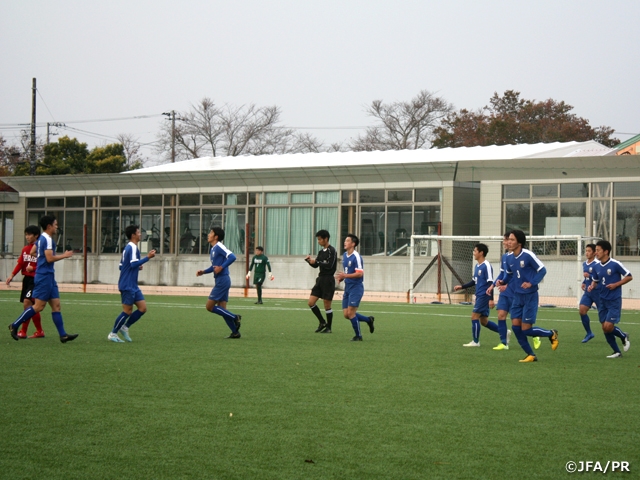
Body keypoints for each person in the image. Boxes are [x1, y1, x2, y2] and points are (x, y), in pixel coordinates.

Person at [8, 215, 78, 343]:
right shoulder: (48, 239)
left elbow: (33, 252)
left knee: (56, 305)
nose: (57, 226)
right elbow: (50, 258)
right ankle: (14, 325)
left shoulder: (41, 239)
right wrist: (65, 255)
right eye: (55, 224)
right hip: (44, 276)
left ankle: (63, 335)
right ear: (49, 226)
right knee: (38, 306)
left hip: (49, 276)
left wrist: (41, 256)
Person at [498, 229, 557, 362]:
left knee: (526, 329)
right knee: (515, 326)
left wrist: (531, 283)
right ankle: (531, 354)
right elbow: (509, 274)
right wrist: (503, 281)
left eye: (512, 240)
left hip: (530, 296)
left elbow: (542, 270)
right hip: (517, 296)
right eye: (509, 240)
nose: (509, 242)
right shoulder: (509, 257)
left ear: (519, 242)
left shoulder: (528, 255)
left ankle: (551, 334)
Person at [108, 225, 156, 343]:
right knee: (127, 311)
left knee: (142, 308)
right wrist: (148, 257)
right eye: (138, 232)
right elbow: (133, 264)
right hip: (127, 284)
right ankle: (113, 333)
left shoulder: (128, 248)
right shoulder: (133, 248)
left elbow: (122, 266)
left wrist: (137, 267)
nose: (140, 234)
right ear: (133, 235)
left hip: (132, 285)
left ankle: (125, 327)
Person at [588, 240, 632, 358]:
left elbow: (629, 276)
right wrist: (592, 286)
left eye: (598, 250)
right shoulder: (596, 266)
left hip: (614, 299)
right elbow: (596, 280)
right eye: (595, 250)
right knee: (604, 327)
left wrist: (616, 284)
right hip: (602, 299)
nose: (595, 253)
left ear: (606, 251)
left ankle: (623, 336)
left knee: (608, 326)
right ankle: (616, 352)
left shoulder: (615, 264)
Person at [197, 226, 242, 339]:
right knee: (222, 308)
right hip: (221, 279)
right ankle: (235, 332)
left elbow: (232, 257)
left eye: (211, 232)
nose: (208, 234)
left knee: (209, 307)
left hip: (223, 280)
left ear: (216, 236)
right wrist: (204, 272)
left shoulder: (219, 246)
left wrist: (222, 267)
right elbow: (215, 267)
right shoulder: (213, 249)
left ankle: (235, 317)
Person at [454, 243, 500, 347]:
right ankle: (504, 332)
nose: (473, 253)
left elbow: (490, 283)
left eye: (475, 251)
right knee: (483, 321)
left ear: (481, 253)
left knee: (474, 316)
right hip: (479, 295)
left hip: (484, 296)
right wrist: (461, 287)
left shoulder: (487, 266)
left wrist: (491, 299)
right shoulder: (477, 266)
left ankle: (475, 342)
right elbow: (474, 281)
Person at [6, 225, 45, 338]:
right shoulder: (25, 249)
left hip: (36, 280)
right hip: (27, 280)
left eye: (29, 234)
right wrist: (12, 275)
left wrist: (33, 268)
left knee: (27, 303)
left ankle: (23, 331)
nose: (27, 237)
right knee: (32, 306)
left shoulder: (40, 249)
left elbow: (45, 265)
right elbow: (20, 264)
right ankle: (39, 331)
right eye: (26, 234)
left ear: (36, 235)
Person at [336, 234, 374, 341]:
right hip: (348, 287)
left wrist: (345, 275)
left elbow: (359, 274)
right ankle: (368, 320)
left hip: (356, 288)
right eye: (345, 240)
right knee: (346, 314)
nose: (345, 242)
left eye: (347, 240)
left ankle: (358, 336)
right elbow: (348, 271)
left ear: (353, 244)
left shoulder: (356, 257)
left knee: (351, 313)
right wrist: (342, 278)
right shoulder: (344, 255)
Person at [305, 230, 337, 333]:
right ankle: (322, 322)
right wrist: (310, 261)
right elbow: (316, 265)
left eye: (320, 239)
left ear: (326, 239)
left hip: (328, 279)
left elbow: (329, 265)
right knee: (311, 302)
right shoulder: (321, 252)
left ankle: (329, 328)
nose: (318, 241)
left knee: (327, 305)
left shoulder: (332, 251)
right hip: (320, 279)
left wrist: (317, 261)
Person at [578, 244, 598, 343]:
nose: (587, 253)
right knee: (582, 310)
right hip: (588, 293)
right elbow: (586, 277)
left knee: (604, 318)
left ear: (594, 252)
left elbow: (599, 277)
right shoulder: (585, 264)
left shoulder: (597, 264)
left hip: (598, 292)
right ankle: (589, 333)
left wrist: (589, 276)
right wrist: (583, 282)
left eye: (589, 251)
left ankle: (614, 331)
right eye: (586, 250)